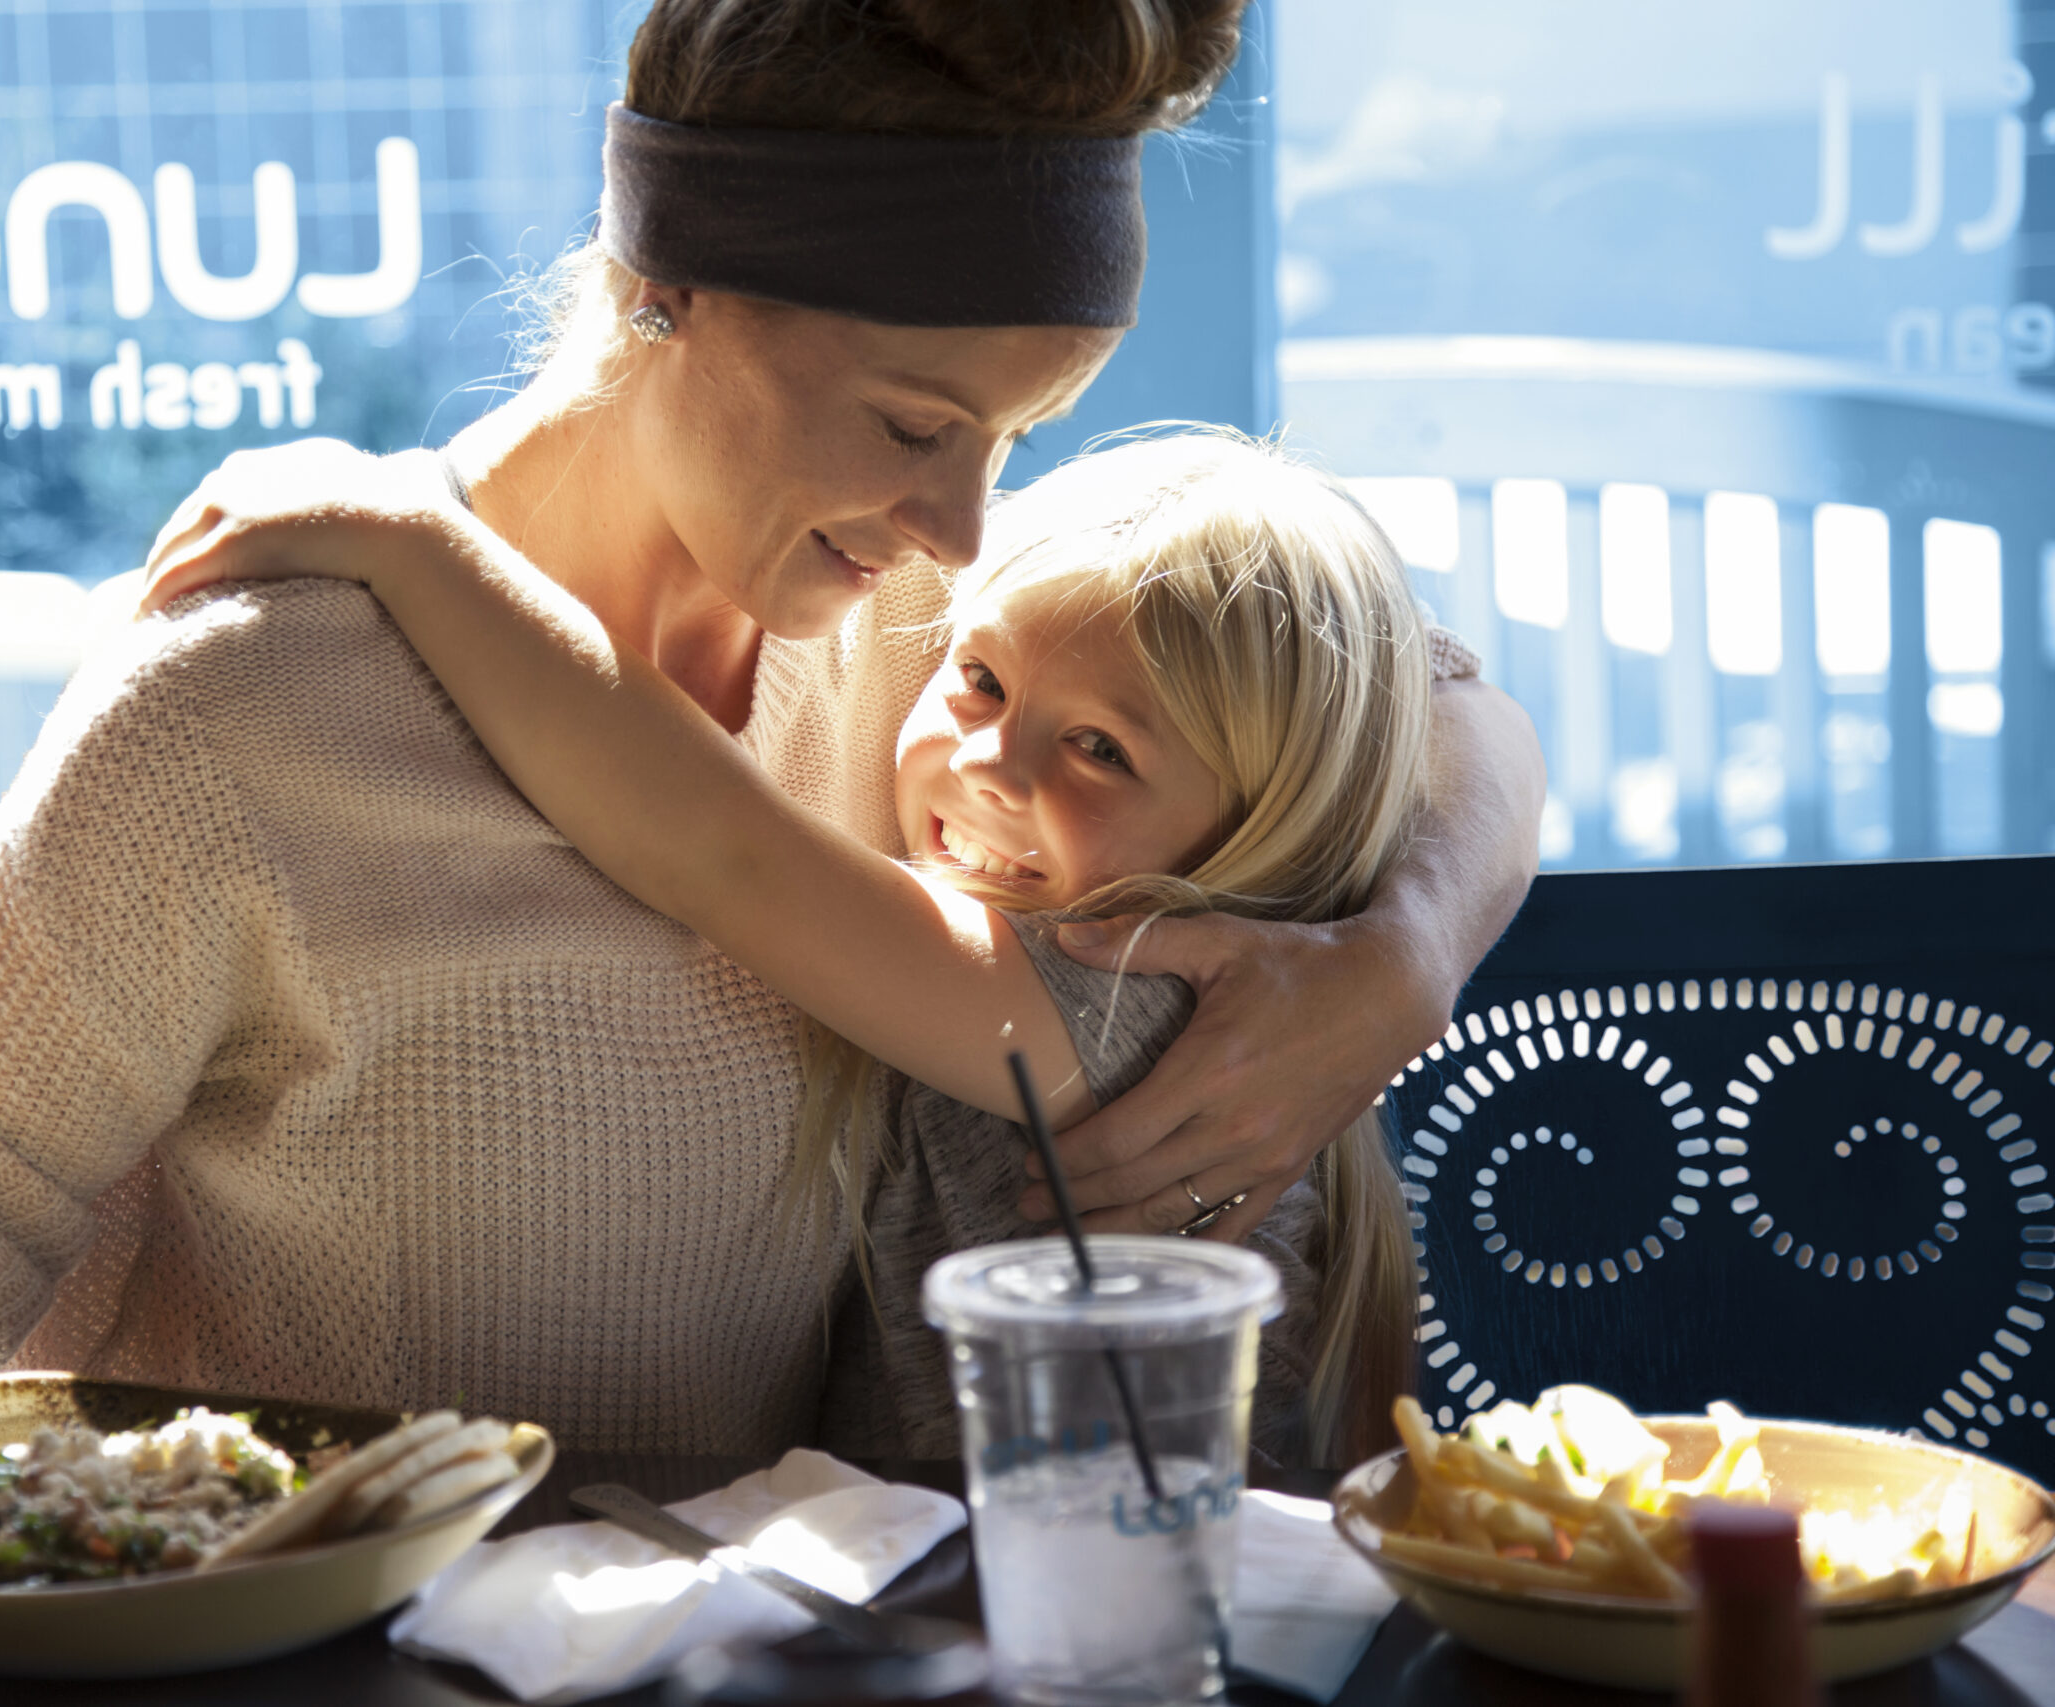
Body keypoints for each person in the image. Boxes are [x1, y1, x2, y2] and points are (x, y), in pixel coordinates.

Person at [0, 0, 1541, 1669]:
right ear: (663, 286)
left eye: (1016, 435)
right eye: (918, 425)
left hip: (730, 1654)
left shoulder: (944, 668)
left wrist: (1400, 952)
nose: (959, 526)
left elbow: (1441, 698)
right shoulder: (253, 694)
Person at [138, 427, 1436, 1471]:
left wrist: (417, 545)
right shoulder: (1078, 966)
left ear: (1266, 825)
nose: (989, 763)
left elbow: (720, 849)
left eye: (1102, 748)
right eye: (979, 680)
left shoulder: (1131, 1000)